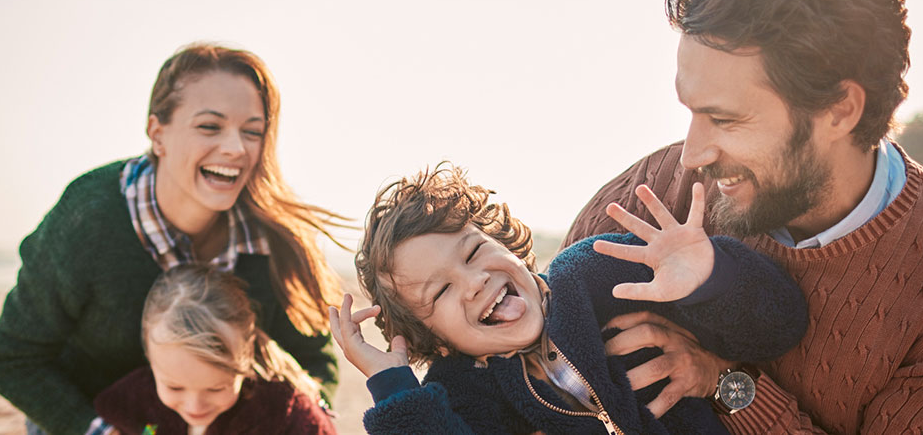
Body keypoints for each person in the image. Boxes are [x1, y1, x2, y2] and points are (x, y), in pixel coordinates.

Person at [563, 0, 923, 433]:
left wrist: (725, 384)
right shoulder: (652, 193)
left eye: (725, 119)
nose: (692, 155)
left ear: (839, 110)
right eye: (691, 111)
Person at [0, 43, 345, 435]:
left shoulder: (277, 237)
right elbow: (13, 360)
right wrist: (96, 430)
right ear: (158, 134)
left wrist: (303, 420)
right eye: (210, 126)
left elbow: (315, 363)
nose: (235, 148)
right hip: (94, 418)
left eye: (252, 132)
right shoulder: (89, 218)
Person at [330, 163, 808, 434]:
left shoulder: (594, 273)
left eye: (474, 251)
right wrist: (393, 386)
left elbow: (781, 322)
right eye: (442, 291)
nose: (473, 281)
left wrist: (710, 277)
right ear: (436, 341)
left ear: (510, 247)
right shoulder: (466, 391)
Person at [93, 264, 337, 435]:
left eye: (215, 388)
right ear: (150, 359)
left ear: (245, 362)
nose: (195, 406)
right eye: (174, 387)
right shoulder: (136, 401)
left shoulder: (284, 414)